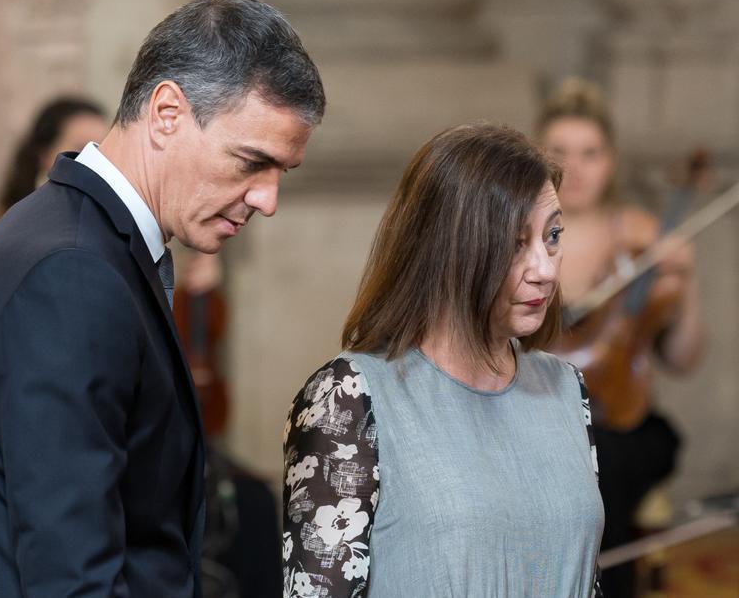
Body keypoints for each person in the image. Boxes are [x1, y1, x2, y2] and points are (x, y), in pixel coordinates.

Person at [0, 0, 325, 597]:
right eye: (252, 162)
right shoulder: (70, 272)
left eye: (281, 174)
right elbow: (73, 576)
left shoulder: (78, 242)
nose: (267, 199)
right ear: (167, 112)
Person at [283, 123, 603, 597]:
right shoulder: (347, 398)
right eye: (516, 243)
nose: (544, 269)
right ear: (449, 249)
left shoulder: (565, 387)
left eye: (552, 235)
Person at [536, 78, 705, 597]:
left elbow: (683, 357)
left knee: (602, 460)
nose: (577, 168)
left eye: (591, 153)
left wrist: (685, 278)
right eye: (560, 152)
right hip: (538, 409)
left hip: (621, 420)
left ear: (611, 159)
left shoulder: (643, 235)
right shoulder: (518, 231)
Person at [0, 96, 107, 219]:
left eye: (101, 149)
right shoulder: (15, 220)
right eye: (82, 147)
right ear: (44, 153)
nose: (96, 159)